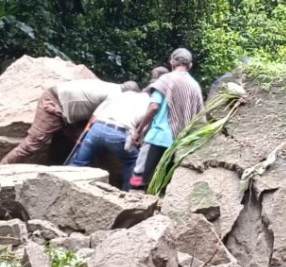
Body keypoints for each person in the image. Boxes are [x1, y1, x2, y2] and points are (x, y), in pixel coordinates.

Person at [0, 78, 125, 165]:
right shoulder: (115, 96)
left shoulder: (112, 87)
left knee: (75, 144)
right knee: (31, 145)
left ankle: (58, 176)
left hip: (69, 115)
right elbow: (96, 121)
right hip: (54, 104)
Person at [131, 48, 204, 191]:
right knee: (162, 186)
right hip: (178, 143)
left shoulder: (165, 80)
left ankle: (132, 205)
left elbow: (153, 107)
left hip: (157, 138)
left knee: (139, 180)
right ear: (190, 66)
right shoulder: (195, 86)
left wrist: (138, 131)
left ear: (172, 62)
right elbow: (200, 117)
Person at [68, 82, 149, 190]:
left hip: (97, 128)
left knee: (79, 163)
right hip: (118, 134)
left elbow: (94, 118)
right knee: (134, 159)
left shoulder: (119, 95)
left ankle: (66, 183)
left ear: (143, 90)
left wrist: (84, 136)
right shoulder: (150, 102)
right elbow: (143, 129)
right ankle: (128, 192)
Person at [128, 66, 169, 188]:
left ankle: (132, 192)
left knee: (140, 172)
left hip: (153, 135)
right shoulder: (165, 90)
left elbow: (152, 109)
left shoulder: (157, 90)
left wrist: (139, 131)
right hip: (160, 136)